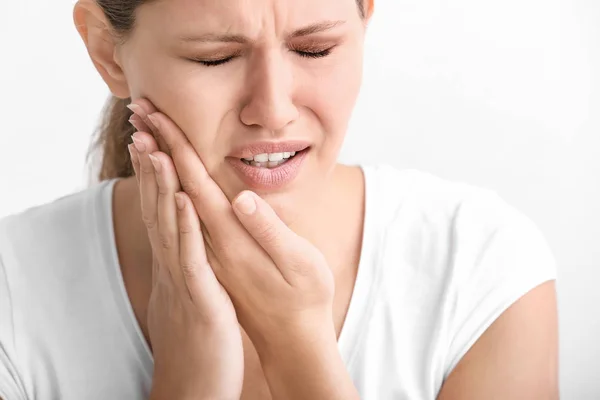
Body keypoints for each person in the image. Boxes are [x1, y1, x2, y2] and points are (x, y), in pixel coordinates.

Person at [0, 0, 559, 399]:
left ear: (365, 18)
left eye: (315, 48)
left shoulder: (482, 270)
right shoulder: (14, 290)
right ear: (109, 53)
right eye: (215, 58)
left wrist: (298, 348)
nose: (273, 108)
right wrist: (188, 382)